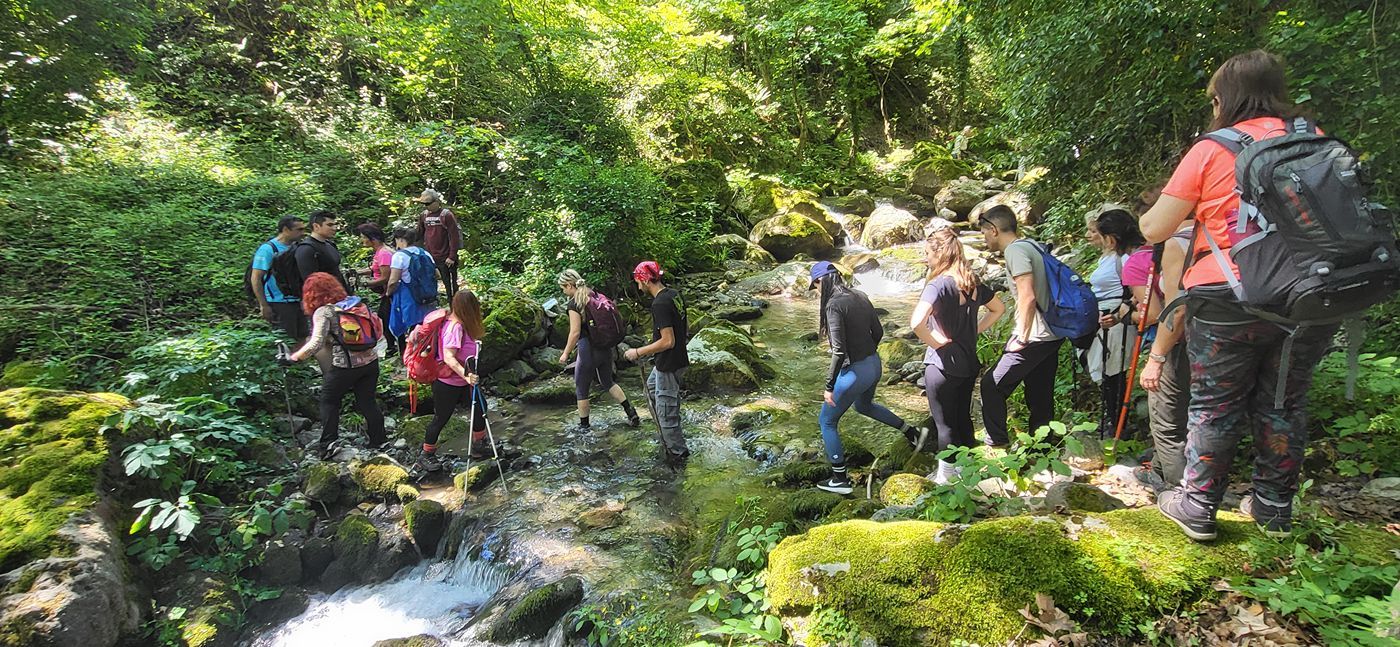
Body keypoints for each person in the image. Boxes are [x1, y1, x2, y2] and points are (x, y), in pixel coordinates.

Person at [1140, 50, 1338, 540]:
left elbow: (1154, 228)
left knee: (1215, 403)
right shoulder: (1313, 140)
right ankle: (1273, 508)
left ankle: (1198, 505)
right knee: (1284, 402)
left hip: (1228, 295)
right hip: (1309, 294)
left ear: (1223, 99)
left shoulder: (1213, 149)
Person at [807, 261, 928, 495]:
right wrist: (867, 354)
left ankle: (840, 479)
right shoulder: (859, 295)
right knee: (863, 406)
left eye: (816, 286)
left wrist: (829, 386)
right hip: (874, 364)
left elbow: (839, 351)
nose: (817, 291)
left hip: (855, 373)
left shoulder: (833, 305)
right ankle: (912, 433)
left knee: (827, 421)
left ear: (821, 280)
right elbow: (879, 332)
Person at [910, 228, 1005, 484]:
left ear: (940, 253)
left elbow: (916, 323)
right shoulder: (972, 282)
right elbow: (998, 309)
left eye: (928, 253)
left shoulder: (938, 284)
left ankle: (945, 477)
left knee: (945, 424)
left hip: (941, 365)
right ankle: (967, 470)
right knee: (963, 417)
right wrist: (975, 330)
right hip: (968, 363)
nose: (926, 258)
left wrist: (935, 342)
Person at [978, 205, 1066, 447]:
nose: (984, 239)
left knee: (992, 385)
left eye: (984, 233)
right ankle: (1042, 445)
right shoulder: (1031, 245)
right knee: (1039, 391)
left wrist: (1021, 336)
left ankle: (997, 442)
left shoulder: (1015, 251)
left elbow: (1027, 296)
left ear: (994, 229)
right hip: (1052, 332)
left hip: (1036, 335)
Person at [282, 272, 388, 459]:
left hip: (345, 366)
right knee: (367, 402)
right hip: (370, 362)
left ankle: (328, 444)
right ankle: (379, 440)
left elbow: (316, 343)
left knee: (329, 401)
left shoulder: (325, 312)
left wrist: (294, 358)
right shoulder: (357, 304)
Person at [1128, 208, 1195, 494]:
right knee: (1194, 414)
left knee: (1167, 420)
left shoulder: (1177, 244)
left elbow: (1173, 311)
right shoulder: (1222, 234)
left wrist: (1156, 357)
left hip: (1180, 342)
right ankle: (1158, 468)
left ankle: (1182, 493)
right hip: (1225, 342)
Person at [1081, 207, 1146, 438]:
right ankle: (1116, 420)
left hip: (1119, 318)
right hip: (1112, 317)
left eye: (1097, 232)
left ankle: (1119, 424)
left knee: (1113, 371)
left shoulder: (1127, 258)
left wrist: (1121, 314)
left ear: (1111, 237)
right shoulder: (1113, 257)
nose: (1092, 236)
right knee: (1108, 369)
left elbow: (1135, 292)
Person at [623, 261, 690, 464]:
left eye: (638, 281)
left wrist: (637, 352)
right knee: (651, 389)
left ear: (645, 280)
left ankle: (678, 455)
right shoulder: (674, 294)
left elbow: (668, 341)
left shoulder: (659, 304)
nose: (638, 286)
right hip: (674, 360)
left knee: (667, 413)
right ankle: (667, 435)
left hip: (669, 364)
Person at [557, 269, 641, 431]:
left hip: (588, 350)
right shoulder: (594, 295)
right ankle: (631, 412)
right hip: (605, 347)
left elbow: (575, 332)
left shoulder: (574, 303)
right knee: (608, 382)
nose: (563, 291)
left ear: (569, 285)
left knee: (581, 388)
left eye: (563, 288)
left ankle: (584, 428)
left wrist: (565, 353)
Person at [416, 289, 489, 472]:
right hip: (448, 382)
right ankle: (426, 454)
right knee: (442, 417)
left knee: (480, 408)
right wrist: (466, 375)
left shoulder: (464, 325)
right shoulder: (455, 327)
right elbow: (449, 357)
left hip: (465, 381)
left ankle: (479, 443)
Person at [250, 216, 309, 342]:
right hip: (279, 303)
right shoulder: (268, 249)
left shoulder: (298, 247)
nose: (303, 233)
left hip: (298, 301)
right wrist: (264, 305)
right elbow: (256, 278)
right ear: (286, 229)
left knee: (302, 338)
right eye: (299, 230)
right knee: (285, 340)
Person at [385, 226, 438, 351]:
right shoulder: (425, 253)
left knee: (412, 331)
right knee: (427, 328)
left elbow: (393, 281)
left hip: (410, 299)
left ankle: (411, 355)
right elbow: (437, 274)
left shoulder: (399, 256)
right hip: (428, 298)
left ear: (400, 239)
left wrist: (388, 293)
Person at [356, 223, 397, 356]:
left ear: (373, 238)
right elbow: (376, 269)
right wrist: (358, 272)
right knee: (385, 317)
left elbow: (385, 277)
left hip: (390, 292)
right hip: (387, 292)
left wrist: (366, 284)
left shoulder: (384, 253)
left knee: (384, 318)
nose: (362, 240)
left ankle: (392, 347)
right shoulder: (381, 251)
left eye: (363, 237)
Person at [416, 189, 463, 299]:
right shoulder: (424, 215)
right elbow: (419, 234)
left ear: (436, 201)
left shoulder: (446, 215)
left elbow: (454, 236)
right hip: (430, 256)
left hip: (445, 257)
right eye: (424, 204)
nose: (426, 206)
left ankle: (454, 305)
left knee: (450, 285)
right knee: (430, 282)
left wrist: (452, 256)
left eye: (428, 203)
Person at [295, 210, 349, 291]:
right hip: (322, 296)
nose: (334, 228)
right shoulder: (306, 249)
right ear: (316, 226)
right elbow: (310, 283)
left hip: (338, 295)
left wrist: (348, 294)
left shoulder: (330, 245)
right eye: (329, 225)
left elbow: (337, 274)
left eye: (334, 224)